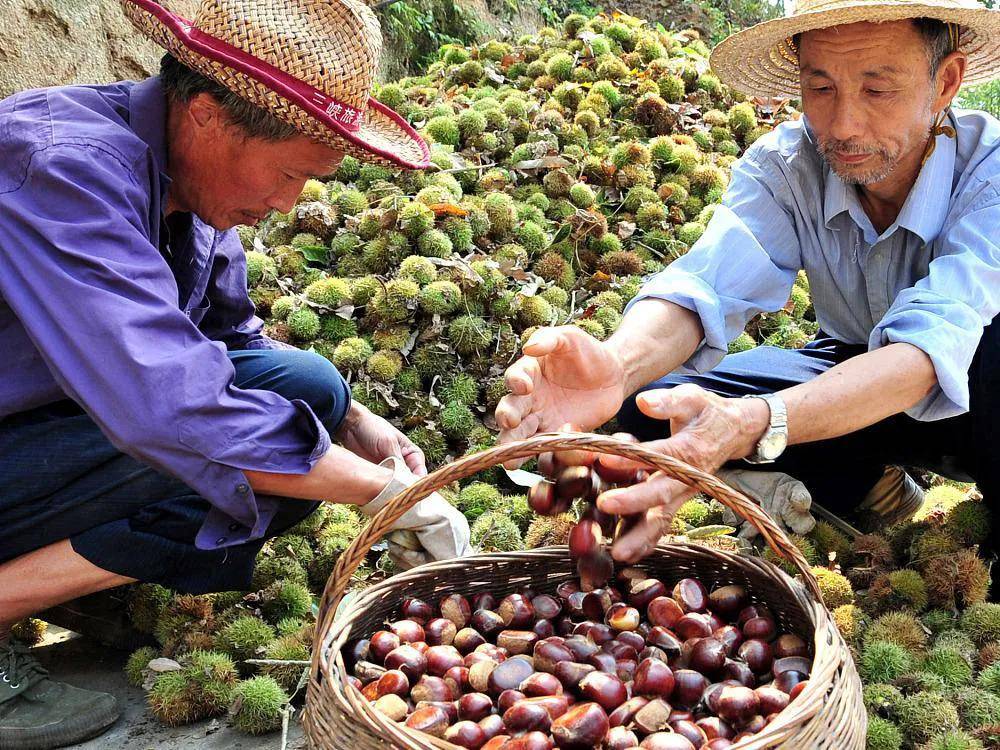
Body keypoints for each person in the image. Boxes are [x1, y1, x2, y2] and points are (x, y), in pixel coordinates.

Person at [0, 0, 470, 745]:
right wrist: (382, 494)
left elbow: (231, 338)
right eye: (288, 174)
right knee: (232, 443)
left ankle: (44, 587)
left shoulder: (192, 191)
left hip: (30, 442)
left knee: (310, 393)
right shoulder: (64, 167)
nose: (287, 204)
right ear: (209, 114)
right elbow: (166, 406)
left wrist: (354, 423)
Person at [498, 0, 998, 563]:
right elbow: (706, 283)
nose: (843, 125)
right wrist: (618, 365)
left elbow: (929, 347)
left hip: (979, 398)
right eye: (821, 88)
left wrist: (752, 423)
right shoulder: (788, 164)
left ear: (946, 81)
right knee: (657, 407)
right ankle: (871, 486)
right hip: (853, 374)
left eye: (877, 91)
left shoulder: (991, 173)